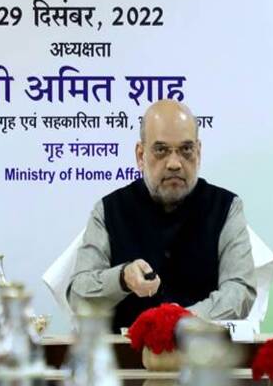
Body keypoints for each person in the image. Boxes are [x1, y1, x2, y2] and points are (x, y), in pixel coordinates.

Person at [67, 99, 256, 331]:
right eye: (161, 150)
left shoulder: (226, 207)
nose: (174, 163)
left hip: (201, 348)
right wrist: (122, 278)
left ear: (198, 152)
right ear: (140, 155)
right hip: (125, 352)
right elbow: (78, 296)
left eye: (186, 150)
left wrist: (183, 319)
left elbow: (240, 290)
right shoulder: (109, 210)